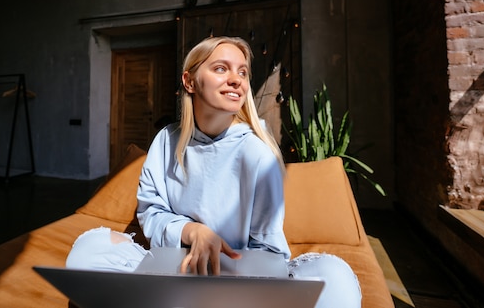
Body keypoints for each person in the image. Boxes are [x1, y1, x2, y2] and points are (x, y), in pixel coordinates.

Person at [66, 36, 361, 308]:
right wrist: (192, 231)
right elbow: (151, 211)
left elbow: (268, 251)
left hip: (240, 277)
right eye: (221, 68)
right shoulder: (165, 141)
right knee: (88, 252)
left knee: (335, 280)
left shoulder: (258, 153)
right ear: (190, 81)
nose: (236, 80)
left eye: (243, 72)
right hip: (175, 265)